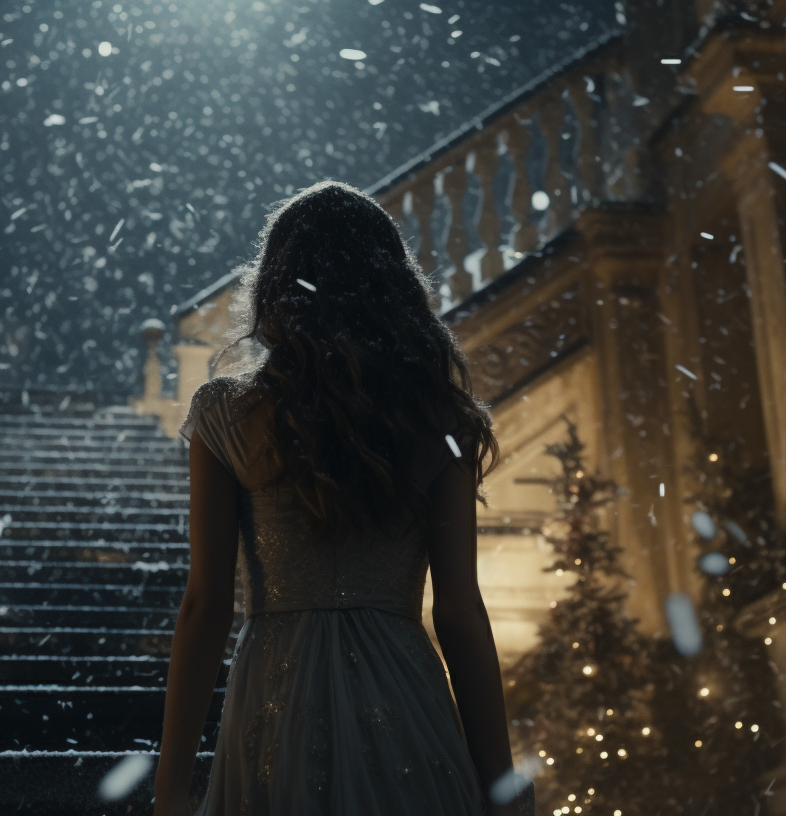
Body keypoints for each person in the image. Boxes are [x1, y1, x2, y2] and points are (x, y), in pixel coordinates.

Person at [152, 180, 534, 816]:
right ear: (392, 288)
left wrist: (169, 794)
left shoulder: (224, 415)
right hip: (403, 699)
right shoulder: (436, 420)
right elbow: (460, 612)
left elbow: (206, 604)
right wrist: (502, 787)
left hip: (277, 698)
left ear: (276, 284)